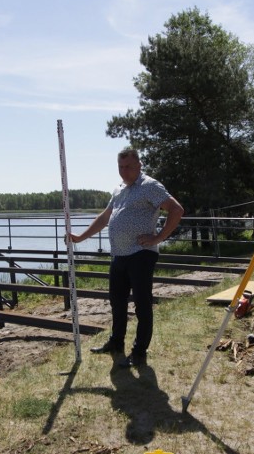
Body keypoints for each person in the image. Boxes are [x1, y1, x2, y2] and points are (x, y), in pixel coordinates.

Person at [69, 148, 184, 368]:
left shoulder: (150, 185)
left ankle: (139, 351)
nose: (124, 171)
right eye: (120, 167)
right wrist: (81, 237)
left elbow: (176, 209)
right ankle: (116, 342)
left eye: (129, 166)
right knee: (117, 302)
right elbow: (105, 217)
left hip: (141, 254)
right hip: (119, 255)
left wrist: (158, 237)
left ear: (139, 165)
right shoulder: (119, 189)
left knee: (142, 304)